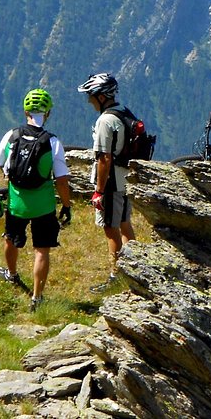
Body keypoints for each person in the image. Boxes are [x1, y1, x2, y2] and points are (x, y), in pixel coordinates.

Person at [0, 88, 73, 312]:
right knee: (42, 250)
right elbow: (62, 181)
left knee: (10, 239)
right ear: (48, 113)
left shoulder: (11, 136)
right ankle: (37, 298)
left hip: (17, 203)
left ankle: (12, 274)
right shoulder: (52, 142)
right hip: (43, 206)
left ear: (25, 111)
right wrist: (66, 205)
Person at [77, 72, 137, 292]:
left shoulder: (105, 120)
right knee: (124, 224)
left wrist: (99, 191)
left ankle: (116, 277)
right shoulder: (123, 113)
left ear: (101, 96)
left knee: (110, 229)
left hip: (111, 184)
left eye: (91, 95)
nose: (89, 100)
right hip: (126, 179)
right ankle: (136, 270)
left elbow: (104, 158)